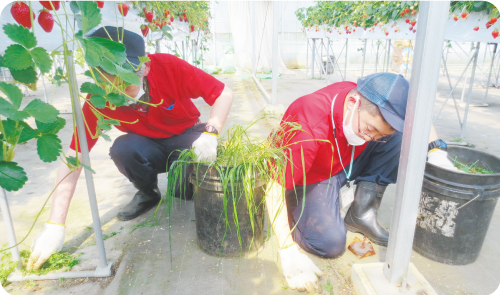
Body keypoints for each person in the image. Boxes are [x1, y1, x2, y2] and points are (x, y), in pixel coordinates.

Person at [27, 27, 234, 270]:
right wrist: (55, 225)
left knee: (186, 187)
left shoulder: (168, 67)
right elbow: (74, 155)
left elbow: (223, 93)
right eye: (105, 81)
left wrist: (211, 132)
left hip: (184, 135)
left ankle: (185, 183)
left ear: (144, 67)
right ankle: (148, 192)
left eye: (124, 83)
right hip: (145, 143)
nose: (115, 92)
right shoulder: (99, 98)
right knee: (123, 149)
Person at [266, 73, 458, 293]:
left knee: (398, 139)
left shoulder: (374, 95)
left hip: (343, 161)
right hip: (312, 173)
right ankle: (297, 209)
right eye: (369, 128)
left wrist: (436, 149)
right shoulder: (308, 122)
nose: (372, 137)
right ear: (352, 102)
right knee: (329, 243)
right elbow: (274, 185)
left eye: (379, 134)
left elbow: (417, 111)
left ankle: (362, 214)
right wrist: (286, 249)